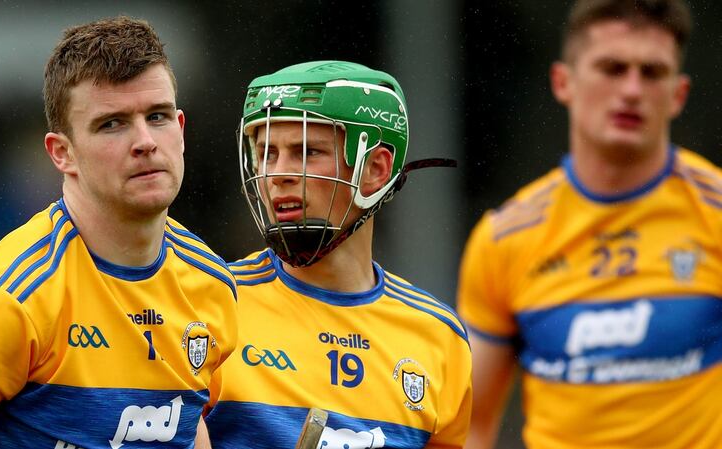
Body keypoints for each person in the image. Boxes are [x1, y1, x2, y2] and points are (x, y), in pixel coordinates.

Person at [0, 16, 237, 449]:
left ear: (180, 132)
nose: (145, 141)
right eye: (113, 123)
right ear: (62, 153)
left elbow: (188, 424)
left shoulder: (212, 283)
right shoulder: (11, 299)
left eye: (158, 116)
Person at [458, 1, 722, 448]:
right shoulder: (505, 237)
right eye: (612, 68)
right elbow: (471, 425)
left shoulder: (714, 212)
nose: (632, 90)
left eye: (652, 72)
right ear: (563, 82)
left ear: (678, 95)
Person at [203, 60, 472, 449]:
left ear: (376, 169)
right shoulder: (212, 303)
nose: (277, 174)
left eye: (307, 151)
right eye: (266, 153)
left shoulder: (440, 337)